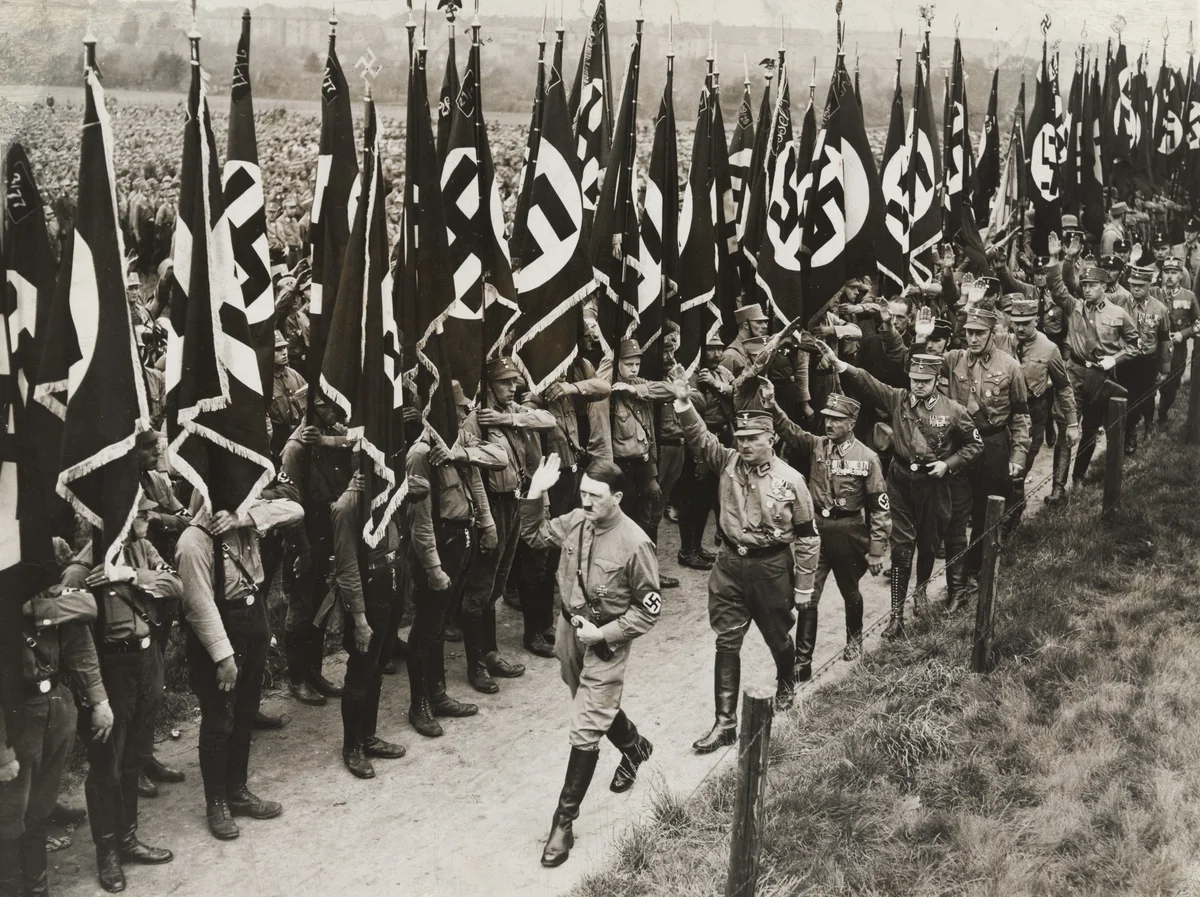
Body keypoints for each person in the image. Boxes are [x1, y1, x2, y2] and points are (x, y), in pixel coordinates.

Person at [520, 457, 661, 867]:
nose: (586, 501)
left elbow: (649, 609)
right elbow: (533, 535)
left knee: (584, 727)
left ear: (617, 497)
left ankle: (563, 823)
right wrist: (535, 491)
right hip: (570, 635)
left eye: (595, 496)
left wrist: (604, 634)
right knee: (588, 703)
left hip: (605, 641)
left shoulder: (635, 543)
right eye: (582, 493)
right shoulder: (576, 521)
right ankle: (634, 746)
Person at [673, 387, 820, 751]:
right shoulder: (726, 463)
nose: (746, 445)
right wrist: (683, 404)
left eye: (754, 438)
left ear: (771, 439)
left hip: (770, 568)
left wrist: (804, 586)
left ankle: (786, 683)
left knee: (777, 636)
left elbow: (807, 536)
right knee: (727, 639)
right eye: (740, 438)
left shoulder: (791, 480)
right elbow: (700, 437)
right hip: (729, 564)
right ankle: (725, 724)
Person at [176, 480, 303, 841]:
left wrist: (241, 518)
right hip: (219, 631)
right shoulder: (193, 542)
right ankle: (215, 803)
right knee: (219, 719)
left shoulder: (243, 519)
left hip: (253, 618)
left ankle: (237, 790)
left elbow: (295, 510)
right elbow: (198, 606)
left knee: (246, 710)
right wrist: (223, 656)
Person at [62, 501, 179, 891]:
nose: (148, 518)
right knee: (105, 767)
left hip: (147, 663)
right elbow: (78, 645)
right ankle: (107, 852)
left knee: (133, 757)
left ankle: (128, 839)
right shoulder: (81, 572)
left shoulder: (141, 552)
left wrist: (129, 575)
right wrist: (96, 698)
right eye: (140, 513)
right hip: (110, 670)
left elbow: (174, 584)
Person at [831, 349, 982, 637]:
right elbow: (868, 382)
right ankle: (896, 615)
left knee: (928, 543)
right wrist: (842, 366)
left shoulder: (953, 410)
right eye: (914, 379)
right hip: (900, 482)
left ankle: (921, 591)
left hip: (934, 485)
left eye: (925, 380)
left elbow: (974, 445)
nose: (918, 385)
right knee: (901, 547)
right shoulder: (898, 399)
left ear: (937, 379)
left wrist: (948, 464)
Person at [404, 385, 504, 736]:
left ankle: (438, 694)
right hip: (439, 545)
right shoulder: (420, 453)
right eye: (459, 411)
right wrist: (432, 566)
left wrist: (460, 456)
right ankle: (421, 704)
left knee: (439, 623)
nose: (466, 416)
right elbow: (420, 520)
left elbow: (494, 462)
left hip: (461, 539)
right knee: (426, 627)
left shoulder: (458, 442)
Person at [1, 580, 111, 897]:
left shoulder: (39, 577)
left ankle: (38, 890)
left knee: (39, 809)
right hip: (13, 714)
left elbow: (86, 611)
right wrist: (1, 751)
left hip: (56, 706)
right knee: (9, 816)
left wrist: (99, 700)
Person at [769, 391, 890, 670]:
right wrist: (771, 404)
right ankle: (803, 660)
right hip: (816, 531)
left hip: (848, 531)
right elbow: (790, 430)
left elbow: (880, 508)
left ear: (852, 422)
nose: (830, 424)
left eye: (837, 420)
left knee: (850, 590)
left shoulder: (868, 458)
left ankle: (854, 640)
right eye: (827, 419)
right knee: (808, 593)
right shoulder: (817, 446)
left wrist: (876, 549)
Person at [458, 356, 555, 693]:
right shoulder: (475, 422)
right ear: (487, 386)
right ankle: (476, 665)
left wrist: (509, 418)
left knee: (498, 584)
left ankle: (490, 653)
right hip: (492, 507)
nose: (512, 387)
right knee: (480, 587)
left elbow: (546, 421)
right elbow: (474, 478)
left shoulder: (508, 414)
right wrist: (486, 522)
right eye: (504, 382)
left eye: (514, 381)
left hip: (514, 502)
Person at [938, 303, 1031, 609]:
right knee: (955, 515)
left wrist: (1018, 454)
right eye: (968, 332)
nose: (973, 339)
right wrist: (922, 338)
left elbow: (1020, 416)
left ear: (993, 333)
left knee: (984, 515)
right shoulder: (953, 360)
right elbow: (916, 365)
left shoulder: (1010, 367)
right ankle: (958, 586)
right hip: (961, 447)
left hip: (992, 447)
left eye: (979, 333)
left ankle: (976, 570)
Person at [520, 356, 612, 656]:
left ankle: (550, 623)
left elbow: (602, 387)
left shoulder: (572, 375)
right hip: (549, 480)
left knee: (563, 553)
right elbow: (525, 413)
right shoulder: (533, 382)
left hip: (572, 474)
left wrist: (570, 387)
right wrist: (538, 399)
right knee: (540, 557)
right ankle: (534, 630)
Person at [329, 459, 412, 779]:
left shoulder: (386, 494)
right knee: (362, 669)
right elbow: (347, 570)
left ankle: (368, 736)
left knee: (377, 665)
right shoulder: (348, 506)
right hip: (367, 593)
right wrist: (360, 620)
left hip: (390, 582)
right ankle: (352, 746)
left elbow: (417, 488)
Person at [280, 394, 354, 706]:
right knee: (301, 609)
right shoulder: (296, 448)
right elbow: (289, 503)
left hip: (327, 531)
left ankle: (314, 672)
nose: (334, 409)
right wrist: (302, 549)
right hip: (304, 535)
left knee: (319, 606)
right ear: (311, 408)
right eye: (325, 405)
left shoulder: (329, 437)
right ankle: (297, 677)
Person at [1045, 258, 1139, 489]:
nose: (1086, 289)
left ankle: (1078, 478)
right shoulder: (1073, 306)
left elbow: (1135, 344)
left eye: (1092, 285)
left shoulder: (1118, 313)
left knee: (1089, 429)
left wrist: (1114, 359)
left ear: (1104, 287)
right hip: (1075, 372)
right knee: (1068, 427)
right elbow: (1056, 287)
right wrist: (1058, 259)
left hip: (1101, 377)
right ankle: (1058, 487)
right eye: (1084, 284)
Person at [1008, 297, 1079, 505]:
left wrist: (1072, 423)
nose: (1020, 328)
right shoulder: (1003, 342)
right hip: (1005, 411)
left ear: (1036, 321)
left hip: (1033, 412)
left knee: (1022, 464)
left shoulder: (1049, 349)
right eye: (1016, 323)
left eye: (1026, 323)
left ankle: (1013, 512)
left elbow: (1064, 387)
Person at [676, 334, 734, 570]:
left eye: (720, 349)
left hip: (721, 436)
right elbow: (693, 407)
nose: (717, 354)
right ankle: (686, 549)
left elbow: (736, 391)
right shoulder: (690, 375)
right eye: (711, 350)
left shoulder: (721, 373)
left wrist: (715, 384)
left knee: (708, 497)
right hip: (698, 439)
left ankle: (697, 547)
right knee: (692, 499)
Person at [1116, 265, 1171, 452]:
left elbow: (1164, 340)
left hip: (1147, 361)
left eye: (1140, 285)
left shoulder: (1160, 310)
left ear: (1150, 284)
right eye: (1133, 285)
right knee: (1127, 396)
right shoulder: (1120, 305)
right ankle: (1129, 433)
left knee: (1147, 396)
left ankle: (1148, 426)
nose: (1136, 288)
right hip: (1125, 360)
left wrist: (1164, 369)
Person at [1155, 257, 1200, 425]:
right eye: (1166, 272)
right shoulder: (1154, 293)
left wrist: (1184, 333)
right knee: (1151, 383)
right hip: (1156, 347)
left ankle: (1163, 412)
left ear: (1181, 275)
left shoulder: (1189, 297)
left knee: (1171, 387)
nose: (1169, 277)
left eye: (1174, 273)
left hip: (1177, 350)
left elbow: (1198, 322)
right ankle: (1146, 421)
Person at [268, 332, 308, 462]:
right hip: (277, 440)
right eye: (278, 349)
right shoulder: (264, 381)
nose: (284, 352)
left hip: (300, 434)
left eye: (284, 347)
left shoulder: (294, 375)